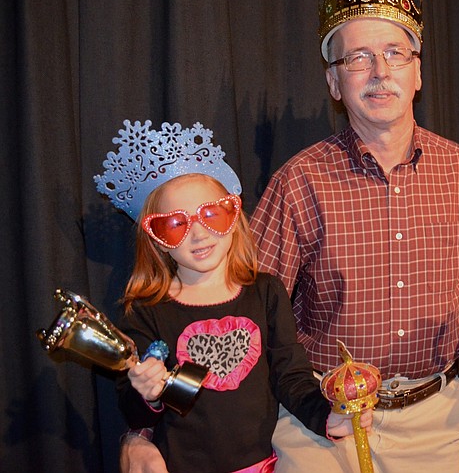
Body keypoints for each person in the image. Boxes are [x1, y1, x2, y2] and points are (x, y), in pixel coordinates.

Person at [119, 0, 459, 473]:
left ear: (418, 72)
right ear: (333, 82)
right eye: (358, 59)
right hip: (320, 424)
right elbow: (230, 312)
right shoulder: (299, 181)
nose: (379, 71)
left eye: (395, 54)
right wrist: (141, 430)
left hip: (435, 423)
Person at [94, 120, 365, 472]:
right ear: (157, 237)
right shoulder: (145, 312)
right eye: (176, 224)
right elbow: (132, 411)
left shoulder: (266, 292)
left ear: (233, 216)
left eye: (212, 214)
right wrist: (147, 393)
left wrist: (328, 417)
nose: (199, 234)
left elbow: (291, 376)